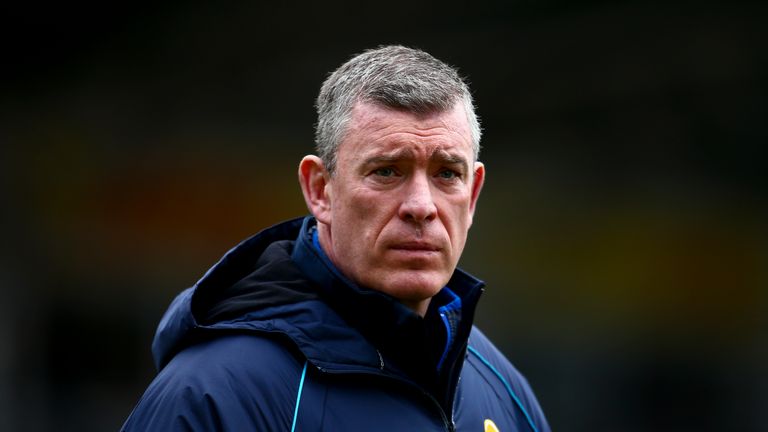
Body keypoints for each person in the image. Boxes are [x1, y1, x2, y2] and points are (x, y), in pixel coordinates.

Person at [122, 45, 550, 432]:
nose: (421, 206)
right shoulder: (215, 395)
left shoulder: (503, 390)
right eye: (386, 171)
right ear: (320, 190)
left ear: (472, 195)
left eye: (446, 174)